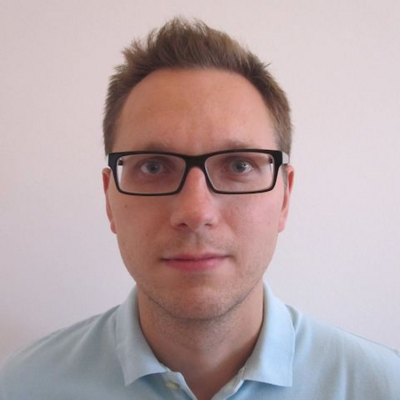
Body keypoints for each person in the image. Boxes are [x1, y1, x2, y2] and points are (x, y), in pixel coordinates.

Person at [0, 17, 399, 400]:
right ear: (110, 199)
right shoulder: (20, 388)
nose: (195, 212)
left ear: (284, 197)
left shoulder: (382, 387)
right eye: (153, 167)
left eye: (239, 166)